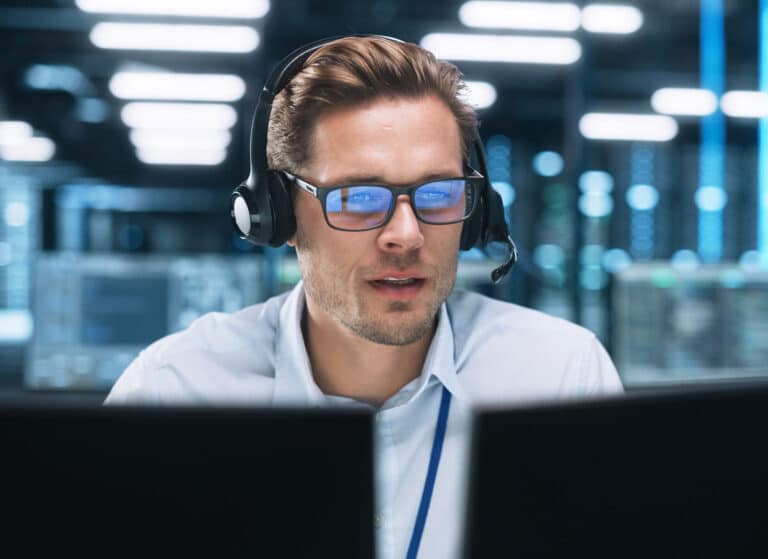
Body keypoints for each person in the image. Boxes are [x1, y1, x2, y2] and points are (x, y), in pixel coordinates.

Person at [106, 36, 623, 559]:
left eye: (439, 193)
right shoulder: (174, 391)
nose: (407, 235)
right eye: (358, 198)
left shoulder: (561, 377)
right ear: (277, 215)